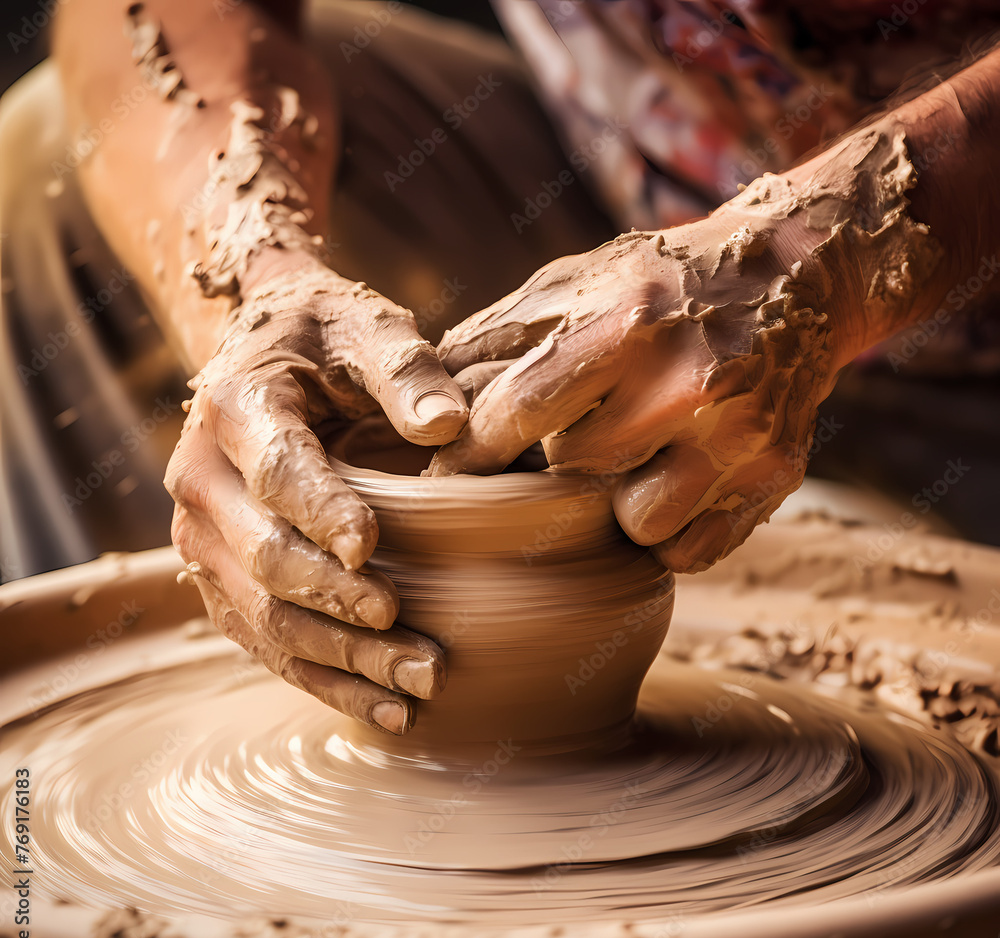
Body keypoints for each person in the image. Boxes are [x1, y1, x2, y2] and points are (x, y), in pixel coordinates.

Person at [1, 0, 998, 735]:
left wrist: (823, 254)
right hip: (633, 195)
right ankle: (185, 701)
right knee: (54, 164)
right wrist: (252, 280)